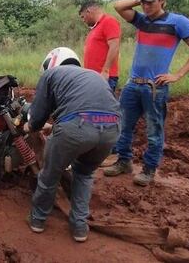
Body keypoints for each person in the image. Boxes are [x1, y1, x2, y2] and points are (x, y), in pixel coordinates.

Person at [104, 0, 189, 186]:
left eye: (151, 2)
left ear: (162, 0)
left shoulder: (178, 22)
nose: (145, 6)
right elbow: (118, 6)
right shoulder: (141, 21)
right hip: (133, 84)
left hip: (155, 87)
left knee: (154, 131)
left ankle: (149, 170)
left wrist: (178, 75)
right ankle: (124, 161)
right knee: (123, 127)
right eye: (143, 3)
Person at [23, 47, 121, 242]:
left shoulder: (51, 74)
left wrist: (28, 126)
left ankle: (38, 220)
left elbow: (38, 116)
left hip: (77, 128)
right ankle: (79, 228)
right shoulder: (92, 75)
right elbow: (92, 107)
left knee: (50, 174)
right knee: (84, 174)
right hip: (112, 128)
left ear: (50, 63)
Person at [79, 1, 121, 94]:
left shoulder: (108, 21)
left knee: (103, 106)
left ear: (88, 12)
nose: (83, 20)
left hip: (103, 77)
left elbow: (114, 46)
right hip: (93, 77)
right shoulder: (95, 28)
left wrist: (105, 70)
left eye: (83, 17)